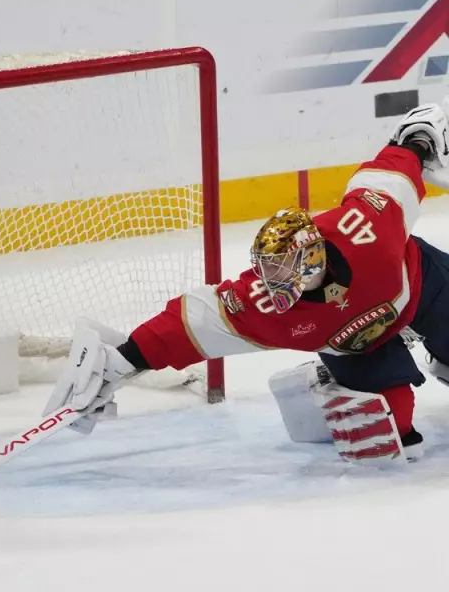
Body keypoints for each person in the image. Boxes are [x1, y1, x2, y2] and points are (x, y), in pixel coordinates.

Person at [44, 99, 449, 464]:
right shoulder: (263, 301)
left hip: (419, 289)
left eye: (280, 269)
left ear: (310, 258)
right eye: (267, 268)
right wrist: (118, 364)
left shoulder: (371, 230)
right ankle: (325, 384)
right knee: (392, 440)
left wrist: (417, 140)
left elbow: (390, 176)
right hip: (356, 347)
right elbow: (189, 323)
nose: (269, 282)